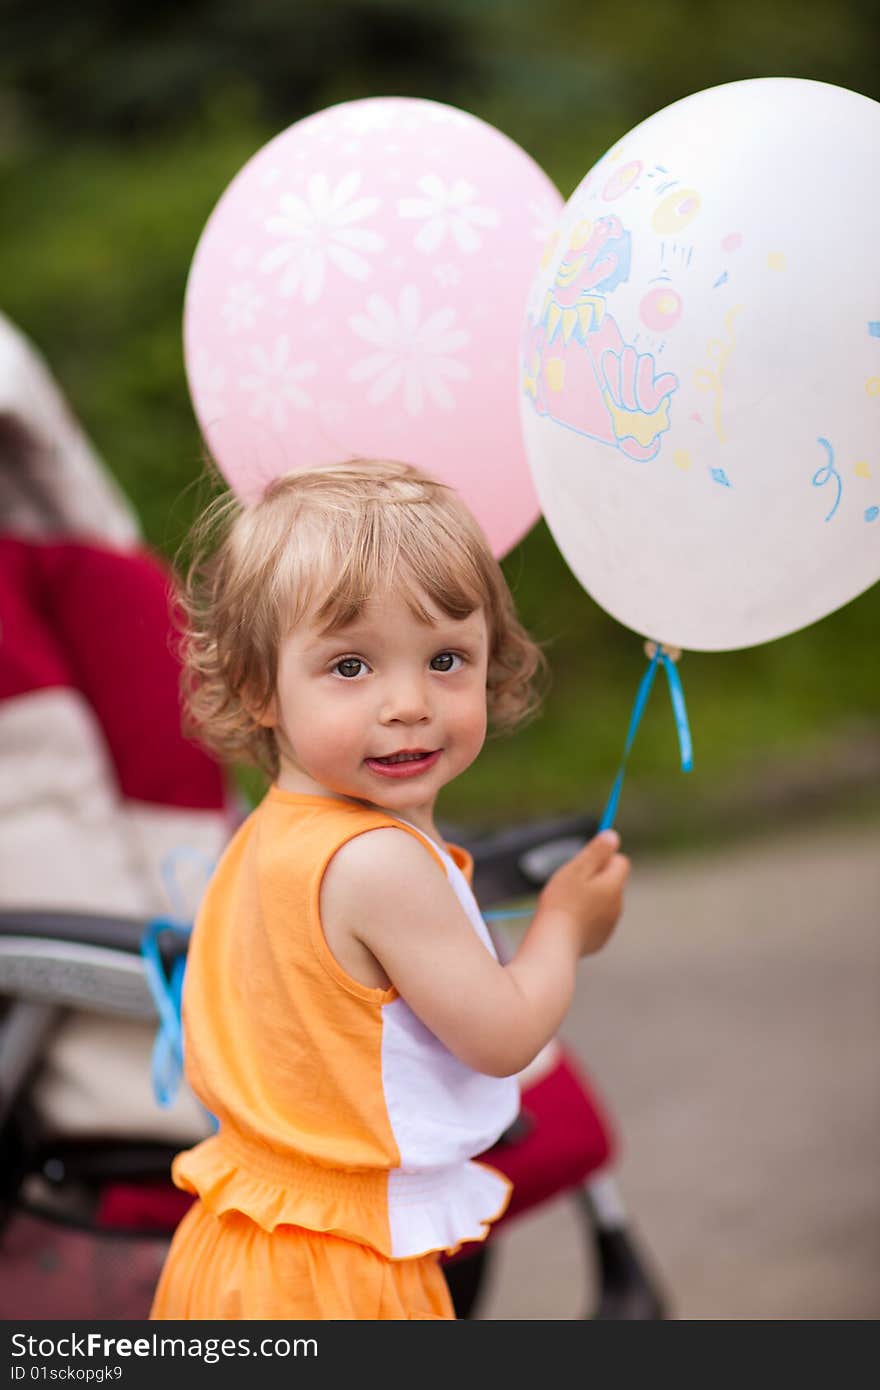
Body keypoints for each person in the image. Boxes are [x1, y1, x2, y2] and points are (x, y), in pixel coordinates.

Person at [150, 458, 629, 1320]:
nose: (409, 702)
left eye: (446, 659)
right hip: (340, 1276)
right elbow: (505, 1035)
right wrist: (564, 923)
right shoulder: (378, 865)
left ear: (490, 664)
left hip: (239, 1249)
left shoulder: (267, 836)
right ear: (260, 686)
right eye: (349, 667)